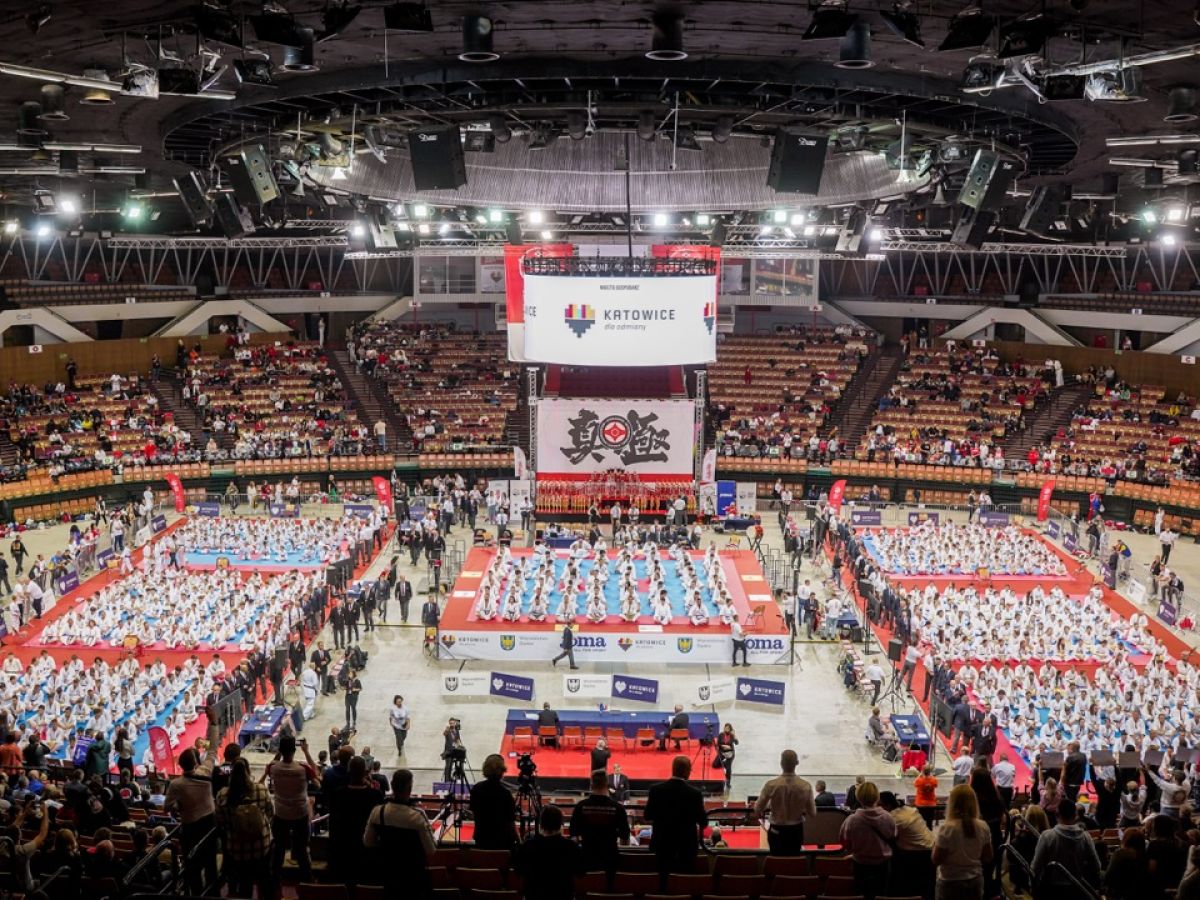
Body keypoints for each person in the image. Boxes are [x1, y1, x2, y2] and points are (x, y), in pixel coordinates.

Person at [165, 722, 220, 893]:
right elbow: (213, 750)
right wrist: (214, 724)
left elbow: (167, 807)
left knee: (193, 865)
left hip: (190, 828)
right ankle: (214, 893)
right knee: (211, 862)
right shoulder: (205, 773)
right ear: (196, 763)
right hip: (209, 824)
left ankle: (196, 893)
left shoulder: (176, 784)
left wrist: (178, 805)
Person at [363, 769, 435, 897]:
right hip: (414, 878)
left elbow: (368, 842)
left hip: (386, 875)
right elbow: (431, 850)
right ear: (410, 788)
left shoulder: (377, 812)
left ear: (392, 785)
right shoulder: (417, 816)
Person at [214, 758, 274, 900]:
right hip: (261, 845)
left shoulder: (222, 795)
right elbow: (270, 813)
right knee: (264, 880)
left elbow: (220, 821)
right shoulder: (261, 790)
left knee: (244, 884)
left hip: (237, 848)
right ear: (249, 771)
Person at [644, 755, 707, 881]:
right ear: (687, 771)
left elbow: (647, 815)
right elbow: (703, 822)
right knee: (684, 882)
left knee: (662, 881)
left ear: (673, 769)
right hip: (686, 847)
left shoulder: (656, 790)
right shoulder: (695, 794)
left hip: (662, 844)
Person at [266, 734, 318, 883]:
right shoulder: (303, 768)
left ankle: (275, 880)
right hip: (300, 813)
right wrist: (306, 751)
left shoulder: (273, 768)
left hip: (281, 813)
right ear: (294, 750)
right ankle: (307, 880)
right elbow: (317, 776)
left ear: (280, 750)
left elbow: (272, 764)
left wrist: (279, 753)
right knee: (301, 850)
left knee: (279, 849)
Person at [328, 756, 386, 885]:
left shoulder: (337, 794)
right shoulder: (375, 795)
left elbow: (333, 825)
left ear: (349, 772)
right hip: (367, 853)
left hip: (342, 852)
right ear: (366, 772)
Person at [1030, 797, 1101, 900]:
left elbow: (1035, 867)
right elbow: (1097, 866)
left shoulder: (1047, 836)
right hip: (1077, 888)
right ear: (1075, 816)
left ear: (1057, 814)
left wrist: (1032, 887)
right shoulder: (1086, 837)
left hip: (1051, 890)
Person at [932, 783, 993, 900]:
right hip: (975, 880)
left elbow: (936, 859)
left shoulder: (947, 828)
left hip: (950, 881)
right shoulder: (983, 826)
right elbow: (988, 857)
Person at [570, 768, 630, 884]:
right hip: (610, 859)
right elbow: (625, 835)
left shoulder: (580, 807)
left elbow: (573, 835)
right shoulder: (618, 808)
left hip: (587, 858)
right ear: (607, 784)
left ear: (591, 784)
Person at [753, 749, 817, 855]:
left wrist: (771, 805)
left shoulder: (771, 785)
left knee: (776, 860)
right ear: (797, 763)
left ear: (781, 763)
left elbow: (758, 808)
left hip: (776, 830)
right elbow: (813, 813)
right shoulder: (805, 786)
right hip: (796, 831)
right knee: (793, 861)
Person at [839, 781, 896, 900]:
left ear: (858, 797)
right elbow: (893, 836)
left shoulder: (851, 820)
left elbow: (845, 843)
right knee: (881, 894)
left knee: (861, 894)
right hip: (883, 865)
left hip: (860, 864)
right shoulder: (888, 817)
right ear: (877, 797)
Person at [513, 805, 582, 900]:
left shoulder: (527, 846)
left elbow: (518, 872)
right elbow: (580, 873)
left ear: (541, 824)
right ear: (561, 825)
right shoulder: (571, 847)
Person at [879, 791, 934, 899]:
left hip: (916, 855)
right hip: (930, 849)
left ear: (888, 805)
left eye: (880, 805)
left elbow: (885, 835)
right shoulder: (910, 809)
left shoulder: (894, 818)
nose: (877, 808)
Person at [469, 754, 518, 850]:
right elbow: (511, 822)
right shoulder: (506, 794)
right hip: (503, 844)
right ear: (502, 771)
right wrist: (519, 842)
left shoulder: (476, 789)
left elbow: (473, 813)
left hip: (482, 841)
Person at [1103, 826, 1148, 900]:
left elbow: (1108, 878)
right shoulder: (1145, 856)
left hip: (1119, 894)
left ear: (1125, 840)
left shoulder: (1120, 854)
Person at [715, 723, 738, 789]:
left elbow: (736, 743)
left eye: (727, 728)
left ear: (730, 729)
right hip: (722, 752)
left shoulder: (731, 735)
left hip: (730, 753)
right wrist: (723, 746)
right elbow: (718, 743)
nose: (726, 729)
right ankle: (724, 764)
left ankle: (728, 782)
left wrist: (734, 735)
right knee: (715, 764)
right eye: (725, 727)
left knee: (728, 769)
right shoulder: (721, 735)